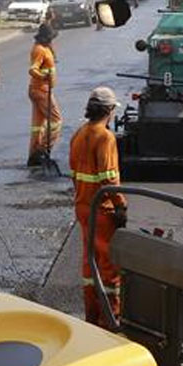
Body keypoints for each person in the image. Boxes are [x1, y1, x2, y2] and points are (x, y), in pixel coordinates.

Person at [69, 87, 126, 328]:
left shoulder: (79, 134)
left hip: (83, 207)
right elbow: (109, 177)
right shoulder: (105, 137)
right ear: (110, 110)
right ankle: (110, 320)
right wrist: (120, 206)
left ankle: (91, 317)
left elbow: (74, 174)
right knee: (109, 266)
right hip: (102, 210)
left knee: (89, 264)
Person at [27, 23, 62, 166]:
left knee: (38, 125)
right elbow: (32, 69)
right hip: (41, 91)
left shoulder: (44, 49)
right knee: (56, 121)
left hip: (39, 90)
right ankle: (42, 149)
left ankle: (33, 155)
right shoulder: (40, 50)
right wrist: (43, 77)